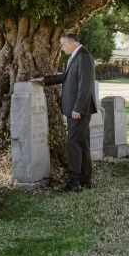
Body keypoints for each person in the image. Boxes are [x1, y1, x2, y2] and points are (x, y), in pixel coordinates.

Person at [35, 31, 97, 192]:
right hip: (76, 109)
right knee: (82, 144)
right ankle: (85, 180)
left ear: (70, 42)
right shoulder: (75, 57)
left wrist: (78, 108)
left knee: (74, 145)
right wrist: (46, 80)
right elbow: (67, 77)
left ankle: (73, 183)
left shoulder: (84, 56)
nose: (62, 48)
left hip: (78, 110)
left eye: (62, 45)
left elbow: (85, 85)